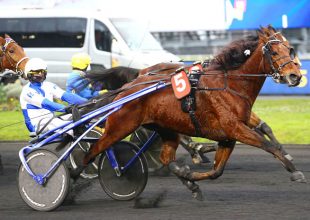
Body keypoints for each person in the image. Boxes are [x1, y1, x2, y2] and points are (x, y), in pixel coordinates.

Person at [20, 58, 87, 138]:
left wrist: (88, 102)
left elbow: (66, 96)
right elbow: (47, 104)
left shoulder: (49, 85)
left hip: (50, 120)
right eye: (37, 72)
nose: (40, 74)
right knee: (57, 122)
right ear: (29, 73)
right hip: (36, 125)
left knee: (80, 116)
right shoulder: (27, 91)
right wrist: (66, 108)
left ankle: (80, 136)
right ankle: (78, 137)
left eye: (42, 72)